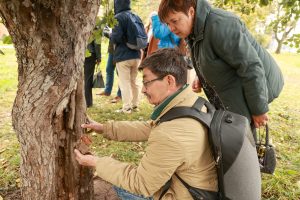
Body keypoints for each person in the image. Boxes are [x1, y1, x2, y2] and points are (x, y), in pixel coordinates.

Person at [74, 48, 218, 199]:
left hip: (182, 194)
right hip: (197, 188)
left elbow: (141, 183)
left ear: (169, 81)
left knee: (115, 182)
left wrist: (96, 162)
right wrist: (104, 128)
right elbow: (150, 127)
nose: (143, 90)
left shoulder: (171, 134)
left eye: (147, 82)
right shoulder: (191, 103)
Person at [158, 0, 284, 131]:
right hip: (235, 91)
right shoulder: (193, 29)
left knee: (241, 140)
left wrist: (258, 109)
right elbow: (211, 57)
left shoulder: (220, 25)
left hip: (258, 86)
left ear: (191, 11)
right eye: (167, 23)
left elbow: (250, 67)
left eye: (174, 21)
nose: (171, 28)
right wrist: (202, 77)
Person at [105, 0, 142, 114]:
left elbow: (116, 38)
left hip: (123, 56)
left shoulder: (119, 17)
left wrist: (108, 34)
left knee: (124, 82)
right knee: (133, 81)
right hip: (136, 54)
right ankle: (136, 105)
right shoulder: (135, 16)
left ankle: (126, 108)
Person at [98, 39, 122, 103]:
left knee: (120, 73)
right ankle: (107, 91)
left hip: (120, 51)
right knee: (109, 69)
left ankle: (120, 95)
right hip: (112, 50)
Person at [84, 38, 101, 108]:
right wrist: (98, 57)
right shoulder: (94, 27)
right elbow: (97, 43)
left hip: (78, 53)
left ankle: (85, 101)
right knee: (88, 79)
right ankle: (88, 102)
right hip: (90, 55)